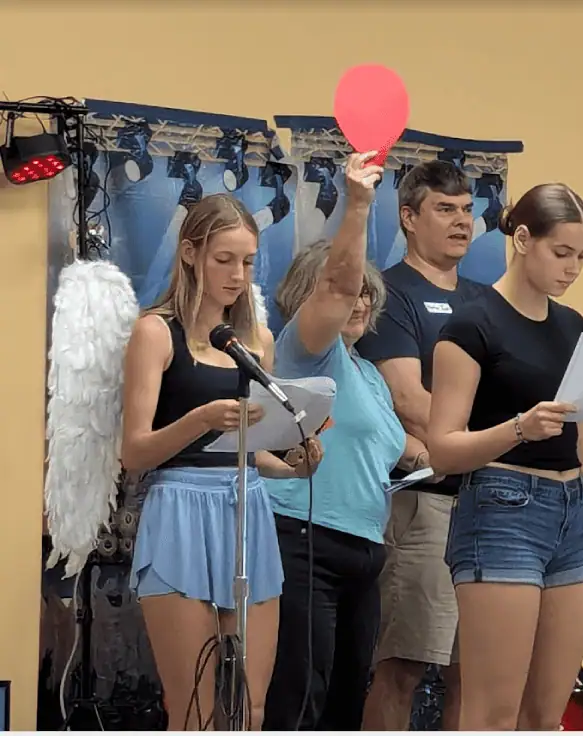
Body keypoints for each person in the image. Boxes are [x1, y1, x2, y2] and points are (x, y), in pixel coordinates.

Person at [426, 183, 583, 731]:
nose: (573, 269)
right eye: (562, 253)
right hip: (502, 510)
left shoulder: (574, 329)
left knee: (549, 715)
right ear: (522, 239)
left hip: (572, 518)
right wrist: (518, 429)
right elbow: (443, 448)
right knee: (492, 712)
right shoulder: (472, 325)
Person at [122, 192, 320, 730]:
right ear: (190, 254)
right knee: (193, 708)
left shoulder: (254, 341)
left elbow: (251, 454)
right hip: (179, 507)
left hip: (246, 507)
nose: (237, 274)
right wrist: (199, 420)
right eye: (223, 259)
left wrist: (294, 463)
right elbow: (134, 450)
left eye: (248, 261)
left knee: (250, 708)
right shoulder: (155, 332)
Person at [261, 229, 433, 728]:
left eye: (364, 291)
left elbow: (410, 451)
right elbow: (331, 298)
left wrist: (482, 446)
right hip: (303, 538)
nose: (356, 301)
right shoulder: (307, 348)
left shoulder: (370, 376)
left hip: (364, 550)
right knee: (298, 694)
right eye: (344, 290)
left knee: (344, 702)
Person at [356, 160, 489, 731]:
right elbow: (408, 399)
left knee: (477, 673)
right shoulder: (391, 294)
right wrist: (499, 435)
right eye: (445, 209)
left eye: (467, 210)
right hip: (427, 502)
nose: (462, 222)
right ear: (408, 217)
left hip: (494, 504)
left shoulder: (489, 300)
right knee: (404, 665)